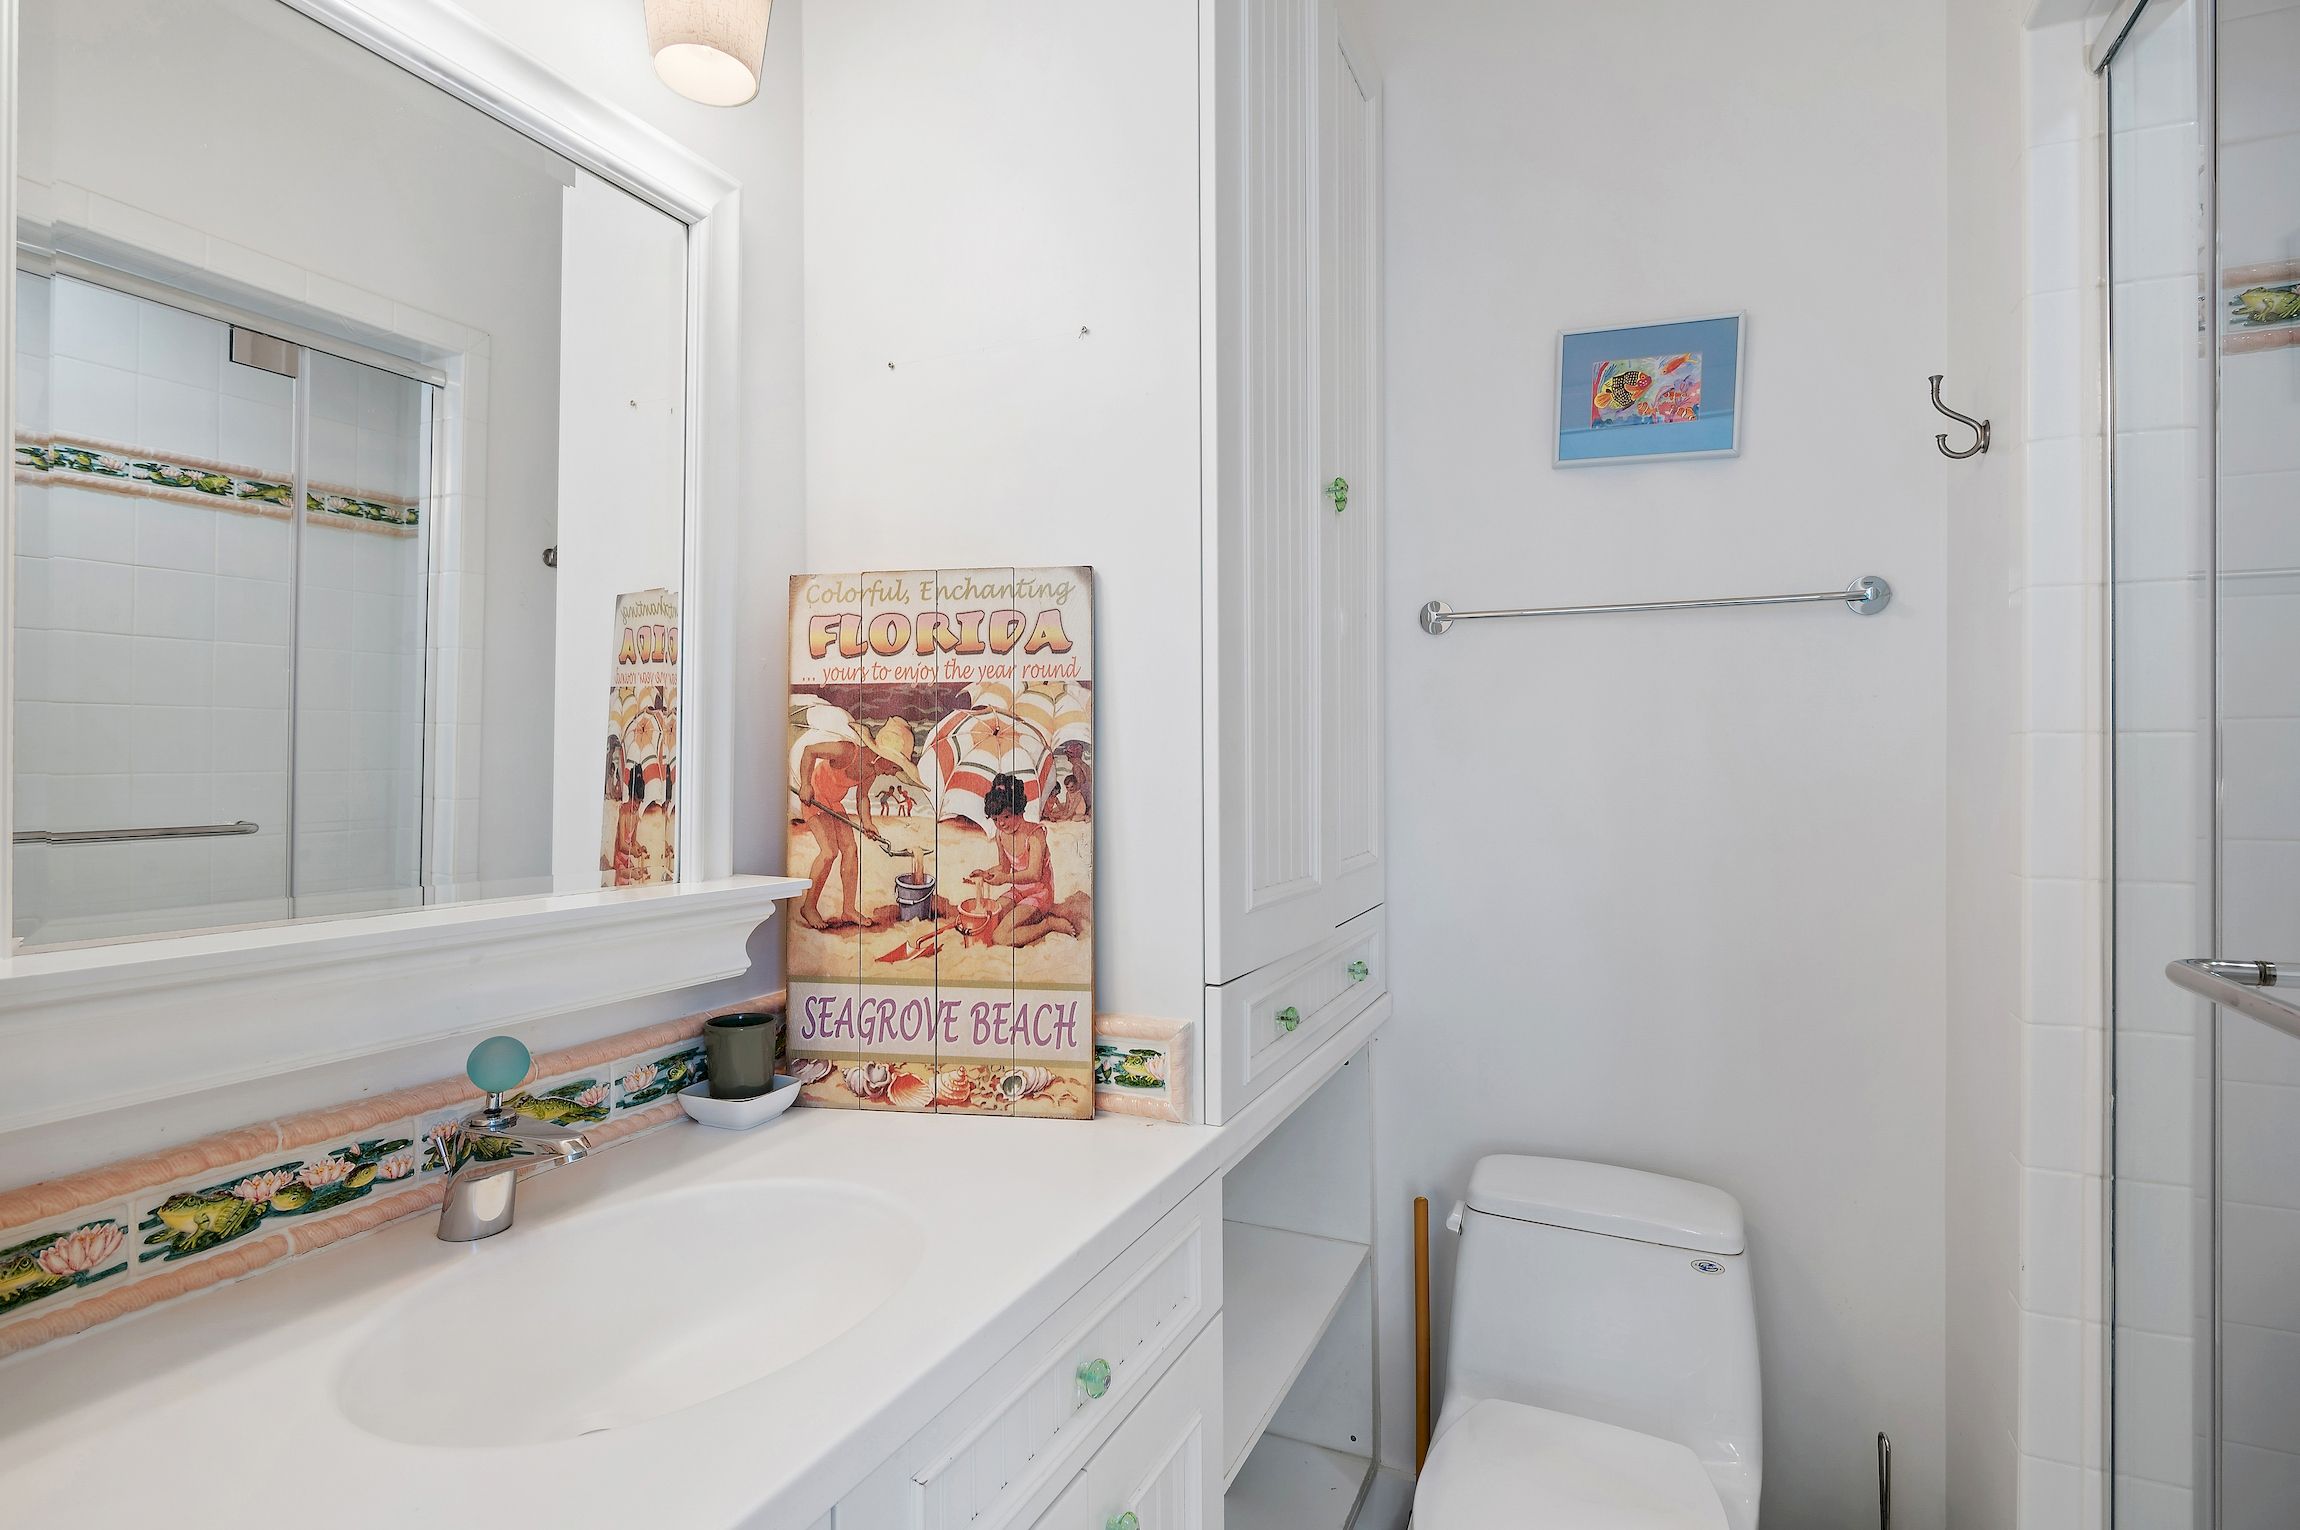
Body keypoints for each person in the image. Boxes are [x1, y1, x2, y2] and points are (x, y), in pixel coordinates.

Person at [794, 717, 920, 930]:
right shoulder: (847, 751)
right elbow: (809, 751)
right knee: (829, 852)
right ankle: (809, 907)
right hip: (815, 799)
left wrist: (867, 822)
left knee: (851, 850)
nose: (892, 772)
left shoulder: (871, 770)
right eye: (894, 766)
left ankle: (848, 909)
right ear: (882, 756)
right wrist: (805, 784)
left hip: (833, 804)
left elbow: (862, 797)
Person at [964, 773, 1076, 947]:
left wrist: (1005, 879)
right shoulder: (1001, 835)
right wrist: (985, 874)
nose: (1001, 823)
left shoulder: (1035, 835)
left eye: (1006, 817)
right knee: (991, 918)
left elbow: (1034, 874)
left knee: (1000, 937)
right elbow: (1004, 867)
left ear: (1019, 811)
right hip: (1018, 890)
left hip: (1039, 894)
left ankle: (1048, 924)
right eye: (995, 819)